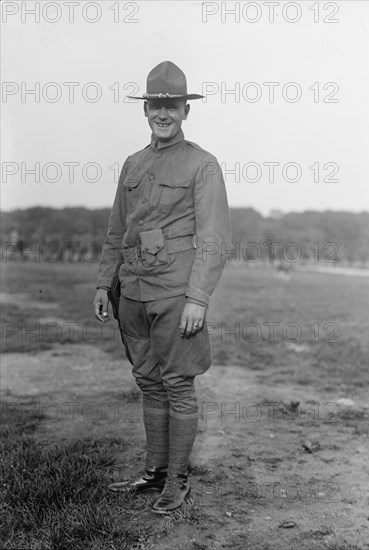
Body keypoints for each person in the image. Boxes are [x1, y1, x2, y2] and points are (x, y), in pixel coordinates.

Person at [93, 60, 231, 514]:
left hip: (175, 293)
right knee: (148, 382)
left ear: (185, 111)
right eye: (156, 104)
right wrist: (102, 284)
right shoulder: (133, 164)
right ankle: (153, 473)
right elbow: (117, 230)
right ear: (146, 108)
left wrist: (198, 297)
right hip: (131, 291)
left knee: (177, 386)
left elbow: (214, 239)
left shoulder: (203, 164)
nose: (164, 112)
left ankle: (178, 480)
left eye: (173, 104)